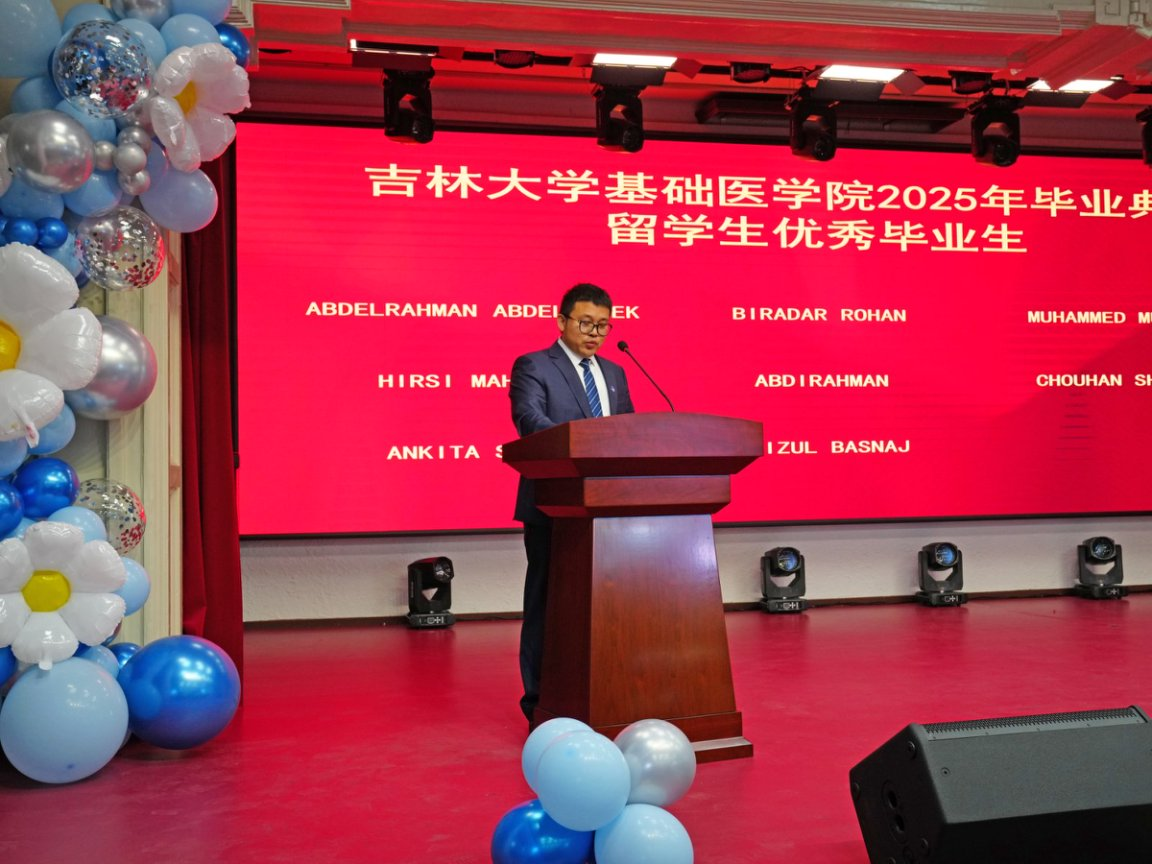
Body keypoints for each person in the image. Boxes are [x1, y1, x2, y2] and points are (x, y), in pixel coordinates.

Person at [509, 283, 634, 724]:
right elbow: (530, 421)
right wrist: (582, 449)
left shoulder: (615, 372)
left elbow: (629, 432)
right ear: (561, 321)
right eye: (585, 323)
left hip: (609, 509)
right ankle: (540, 703)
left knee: (609, 607)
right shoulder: (534, 365)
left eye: (602, 325)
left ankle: (604, 695)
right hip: (554, 506)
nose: (594, 333)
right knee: (547, 605)